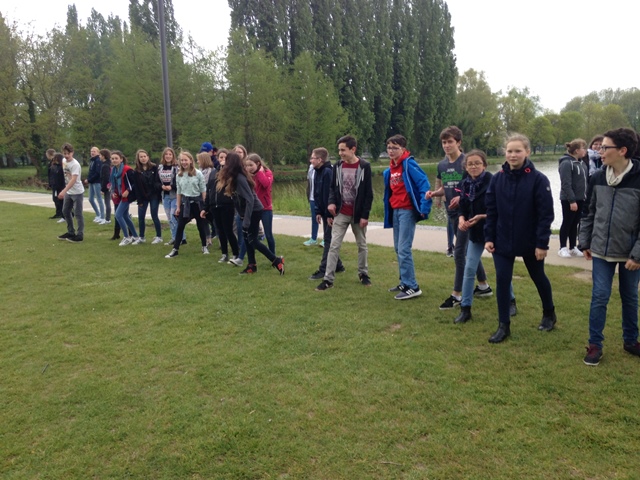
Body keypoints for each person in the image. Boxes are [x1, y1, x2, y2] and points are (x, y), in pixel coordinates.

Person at [484, 133, 556, 343]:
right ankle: (503, 325)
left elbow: (545, 215)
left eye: (518, 151)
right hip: (502, 240)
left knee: (538, 276)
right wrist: (489, 237)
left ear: (527, 152)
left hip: (530, 241)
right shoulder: (497, 179)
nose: (513, 155)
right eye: (509, 151)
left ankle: (549, 313)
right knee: (502, 280)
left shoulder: (539, 180)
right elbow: (491, 211)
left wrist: (542, 244)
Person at [580, 128, 640, 366]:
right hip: (600, 251)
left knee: (630, 296)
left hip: (630, 254)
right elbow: (589, 212)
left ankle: (631, 340)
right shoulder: (596, 178)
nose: (600, 151)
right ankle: (595, 344)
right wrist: (584, 242)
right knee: (600, 296)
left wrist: (637, 255)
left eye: (605, 147)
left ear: (622, 150)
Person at [426, 126, 491, 309]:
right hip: (452, 214)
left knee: (459, 252)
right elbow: (446, 187)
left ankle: (457, 295)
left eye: (450, 142)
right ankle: (484, 286)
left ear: (459, 142)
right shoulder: (442, 165)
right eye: (444, 142)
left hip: (467, 215)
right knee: (469, 251)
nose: (446, 145)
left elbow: (474, 186)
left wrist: (461, 198)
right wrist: (434, 193)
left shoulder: (467, 162)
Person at [453, 150, 517, 323]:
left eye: (477, 163)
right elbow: (462, 207)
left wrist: (482, 216)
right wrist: (461, 219)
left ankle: (511, 301)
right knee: (469, 269)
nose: (473, 166)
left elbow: (502, 209)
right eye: (470, 164)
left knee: (501, 271)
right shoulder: (465, 184)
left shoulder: (494, 181)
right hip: (475, 233)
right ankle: (465, 308)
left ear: (484, 165)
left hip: (495, 232)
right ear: (465, 167)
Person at [316, 135, 373, 290]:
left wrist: (365, 215)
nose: (340, 153)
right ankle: (328, 279)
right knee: (334, 245)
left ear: (353, 149)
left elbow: (368, 194)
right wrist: (331, 205)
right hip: (341, 212)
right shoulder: (337, 166)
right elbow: (332, 188)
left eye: (343, 150)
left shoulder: (364, 166)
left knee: (362, 245)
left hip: (358, 214)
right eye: (339, 150)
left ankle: (363, 274)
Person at [215, 151, 284, 274]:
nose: (224, 163)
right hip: (246, 212)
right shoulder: (234, 177)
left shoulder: (239, 178)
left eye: (226, 161)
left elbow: (250, 199)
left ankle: (276, 260)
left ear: (231, 163)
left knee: (252, 240)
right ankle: (252, 266)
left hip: (254, 211)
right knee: (247, 239)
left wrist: (246, 220)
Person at [382, 134, 431, 300]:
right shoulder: (391, 168)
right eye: (389, 148)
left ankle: (413, 286)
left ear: (403, 149)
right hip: (395, 210)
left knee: (404, 248)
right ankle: (404, 281)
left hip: (407, 210)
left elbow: (424, 184)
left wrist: (424, 207)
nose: (391, 151)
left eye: (395, 148)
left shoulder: (409, 164)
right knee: (398, 248)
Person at [308, 147, 345, 280]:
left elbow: (330, 195)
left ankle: (323, 269)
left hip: (330, 213)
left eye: (313, 158)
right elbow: (317, 194)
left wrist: (329, 214)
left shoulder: (328, 172)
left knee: (328, 240)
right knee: (328, 238)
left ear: (320, 160)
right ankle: (338, 265)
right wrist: (318, 211)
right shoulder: (317, 171)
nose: (311, 160)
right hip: (324, 211)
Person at [165, 151, 209, 258]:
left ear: (190, 161)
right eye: (182, 160)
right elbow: (179, 192)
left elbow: (203, 190)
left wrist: (205, 206)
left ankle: (204, 246)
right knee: (180, 226)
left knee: (201, 225)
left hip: (197, 203)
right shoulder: (179, 175)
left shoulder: (198, 173)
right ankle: (175, 249)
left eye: (186, 160)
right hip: (186, 204)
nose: (184, 162)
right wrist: (178, 207)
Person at [200, 149, 240, 264]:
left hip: (227, 205)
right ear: (217, 159)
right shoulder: (213, 172)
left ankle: (236, 253)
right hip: (215, 205)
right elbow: (209, 190)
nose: (222, 160)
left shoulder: (231, 172)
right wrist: (205, 208)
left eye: (225, 158)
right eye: (220, 157)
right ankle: (224, 253)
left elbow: (232, 185)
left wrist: (225, 169)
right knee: (220, 231)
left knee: (228, 230)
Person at [557, 139, 588, 258]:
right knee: (567, 222)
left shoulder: (582, 163)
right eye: (583, 148)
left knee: (575, 223)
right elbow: (566, 184)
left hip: (581, 198)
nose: (585, 151)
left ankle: (573, 247)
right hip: (569, 199)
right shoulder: (566, 163)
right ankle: (562, 247)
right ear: (576, 150)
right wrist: (572, 200)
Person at [245, 153, 275, 254]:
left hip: (266, 208)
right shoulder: (248, 175)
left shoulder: (267, 173)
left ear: (258, 164)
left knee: (268, 235)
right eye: (247, 165)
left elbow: (266, 184)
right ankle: (250, 254)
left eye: (251, 165)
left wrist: (260, 173)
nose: (249, 168)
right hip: (253, 208)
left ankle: (273, 255)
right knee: (252, 234)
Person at [110, 151, 140, 246]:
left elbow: (135, 182)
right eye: (112, 158)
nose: (114, 160)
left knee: (118, 215)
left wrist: (127, 190)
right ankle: (135, 236)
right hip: (120, 195)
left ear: (121, 159)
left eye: (116, 158)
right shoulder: (114, 171)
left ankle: (127, 237)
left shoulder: (127, 170)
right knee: (125, 216)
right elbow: (114, 184)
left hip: (127, 196)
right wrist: (113, 192)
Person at [57, 143, 85, 243]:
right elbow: (66, 174)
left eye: (68, 153)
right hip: (69, 191)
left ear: (72, 153)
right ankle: (71, 232)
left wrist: (63, 191)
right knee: (65, 211)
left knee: (78, 213)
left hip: (77, 192)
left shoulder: (75, 164)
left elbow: (73, 180)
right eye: (64, 153)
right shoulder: (64, 161)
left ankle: (80, 235)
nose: (66, 155)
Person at [134, 149, 163, 244]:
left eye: (144, 156)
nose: (143, 158)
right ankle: (141, 237)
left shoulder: (154, 168)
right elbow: (137, 187)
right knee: (141, 217)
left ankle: (159, 236)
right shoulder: (137, 171)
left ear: (148, 157)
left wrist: (157, 195)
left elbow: (157, 181)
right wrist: (139, 200)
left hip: (153, 195)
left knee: (154, 215)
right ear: (138, 158)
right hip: (143, 196)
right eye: (141, 157)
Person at [158, 147, 185, 246]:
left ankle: (180, 238)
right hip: (165, 196)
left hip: (175, 195)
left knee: (174, 217)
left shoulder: (177, 168)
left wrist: (172, 187)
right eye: (166, 154)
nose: (168, 156)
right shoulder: (160, 168)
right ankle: (174, 237)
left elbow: (181, 182)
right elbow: (156, 181)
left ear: (173, 156)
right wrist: (161, 186)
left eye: (170, 154)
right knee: (169, 218)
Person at [197, 151, 216, 246]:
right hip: (200, 199)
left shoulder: (212, 172)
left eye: (199, 160)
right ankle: (208, 238)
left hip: (209, 198)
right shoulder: (198, 171)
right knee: (203, 219)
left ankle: (218, 235)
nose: (197, 162)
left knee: (213, 219)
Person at [86, 146, 105, 223]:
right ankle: (98, 214)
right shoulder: (92, 160)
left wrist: (89, 179)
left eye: (94, 151)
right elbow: (91, 171)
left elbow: (98, 173)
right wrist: (88, 178)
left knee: (99, 199)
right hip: (91, 182)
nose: (92, 153)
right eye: (91, 151)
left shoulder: (98, 160)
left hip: (97, 182)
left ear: (98, 152)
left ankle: (102, 216)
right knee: (90, 199)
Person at [47, 149, 65, 220]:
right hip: (55, 185)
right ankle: (59, 212)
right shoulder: (53, 166)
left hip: (59, 186)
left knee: (60, 199)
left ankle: (63, 213)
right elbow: (51, 175)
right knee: (55, 199)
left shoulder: (60, 167)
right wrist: (51, 183)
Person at [304, 161, 319, 246]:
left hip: (321, 198)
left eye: (313, 158)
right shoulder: (311, 168)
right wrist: (309, 196)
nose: (311, 160)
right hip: (312, 198)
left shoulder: (326, 169)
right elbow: (309, 183)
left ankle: (326, 239)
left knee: (325, 219)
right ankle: (313, 238)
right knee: (314, 219)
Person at [99, 149, 112, 225]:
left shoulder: (105, 166)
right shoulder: (107, 164)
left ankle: (107, 219)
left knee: (107, 202)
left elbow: (105, 178)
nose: (99, 157)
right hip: (108, 185)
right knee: (107, 202)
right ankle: (107, 218)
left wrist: (103, 189)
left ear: (103, 156)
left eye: (100, 155)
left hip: (107, 186)